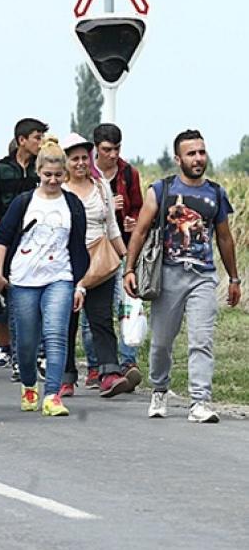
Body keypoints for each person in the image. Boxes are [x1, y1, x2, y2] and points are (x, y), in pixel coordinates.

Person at [124, 129, 240, 424]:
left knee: (201, 340)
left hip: (202, 276)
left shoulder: (215, 193)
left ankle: (200, 401)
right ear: (178, 159)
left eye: (201, 152)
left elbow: (225, 238)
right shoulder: (161, 190)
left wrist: (235, 279)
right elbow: (139, 231)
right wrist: (129, 269)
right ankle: (160, 388)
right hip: (168, 275)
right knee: (162, 341)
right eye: (191, 153)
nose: (198, 158)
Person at [0, 136, 88, 418]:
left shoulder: (72, 205)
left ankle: (53, 395)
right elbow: (3, 238)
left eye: (58, 175)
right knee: (27, 341)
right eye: (48, 175)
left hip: (60, 277)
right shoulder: (24, 202)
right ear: (38, 172)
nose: (53, 180)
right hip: (23, 279)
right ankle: (29, 384)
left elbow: (79, 247)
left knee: (56, 336)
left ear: (65, 174)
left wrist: (79, 284)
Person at [60, 134, 127, 398]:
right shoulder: (58, 190)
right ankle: (64, 377)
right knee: (66, 322)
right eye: (74, 159)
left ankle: (109, 373)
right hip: (66, 263)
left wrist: (127, 260)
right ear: (65, 162)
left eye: (83, 158)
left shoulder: (101, 187)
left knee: (101, 319)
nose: (79, 163)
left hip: (100, 262)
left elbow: (112, 226)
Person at [0, 117, 47, 374]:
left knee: (37, 301)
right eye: (36, 137)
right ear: (22, 140)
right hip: (8, 245)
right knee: (16, 302)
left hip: (39, 244)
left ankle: (39, 355)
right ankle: (19, 359)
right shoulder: (1, 169)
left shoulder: (41, 171)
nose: (40, 142)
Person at [93, 122, 145, 386]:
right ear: (97, 149)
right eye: (107, 150)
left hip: (124, 245)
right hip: (96, 248)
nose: (112, 155)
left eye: (116, 149)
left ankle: (128, 361)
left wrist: (133, 220)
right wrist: (109, 206)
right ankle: (95, 365)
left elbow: (139, 207)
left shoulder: (128, 173)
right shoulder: (87, 173)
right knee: (97, 310)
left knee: (128, 303)